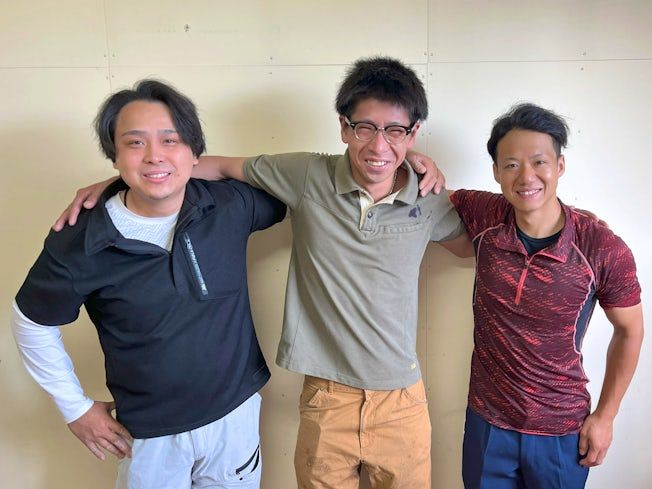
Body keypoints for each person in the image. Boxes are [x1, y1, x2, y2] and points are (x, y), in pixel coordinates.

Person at [52, 56, 474, 489]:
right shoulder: (307, 175)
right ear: (344, 128)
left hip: (402, 397)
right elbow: (217, 166)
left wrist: (418, 163)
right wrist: (124, 182)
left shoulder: (429, 197)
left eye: (395, 131)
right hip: (328, 394)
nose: (378, 145)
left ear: (413, 133)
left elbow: (469, 247)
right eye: (365, 128)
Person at [12, 80, 286, 488]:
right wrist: (75, 409)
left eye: (170, 140)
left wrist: (403, 165)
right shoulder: (81, 239)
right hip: (150, 436)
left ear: (195, 151)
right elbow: (31, 322)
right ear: (114, 155)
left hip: (235, 418)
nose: (154, 155)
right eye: (135, 143)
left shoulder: (228, 205)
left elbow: (301, 184)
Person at [448, 103, 644, 488]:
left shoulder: (601, 247)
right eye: (511, 165)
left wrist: (605, 417)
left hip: (561, 430)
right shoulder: (486, 215)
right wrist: (413, 160)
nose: (527, 177)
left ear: (560, 166)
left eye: (539, 162)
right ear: (496, 171)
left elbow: (630, 331)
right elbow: (426, 193)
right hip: (488, 423)